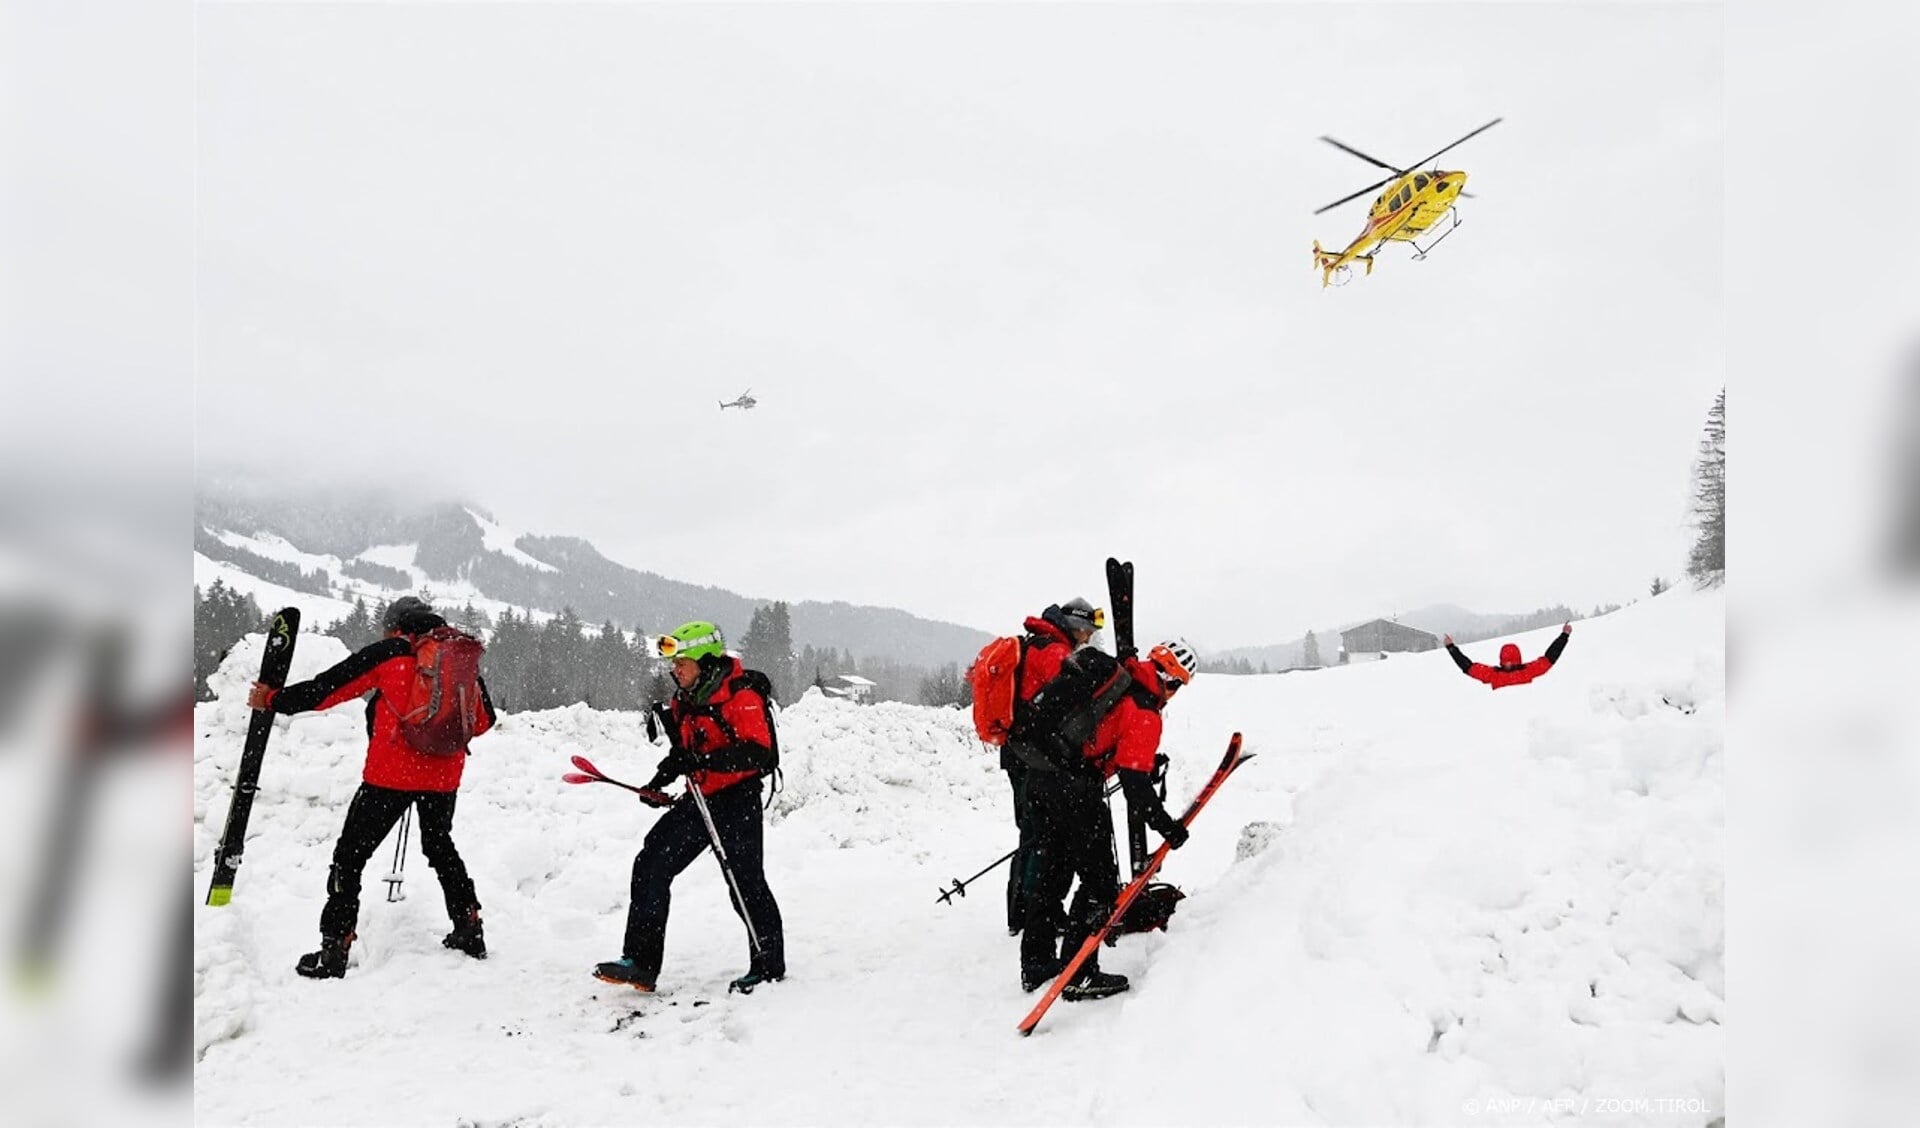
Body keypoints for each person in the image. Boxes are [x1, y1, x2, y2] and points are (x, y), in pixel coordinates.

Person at [247, 595, 495, 979]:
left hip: (390, 777)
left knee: (350, 857)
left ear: (397, 627)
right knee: (440, 846)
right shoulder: (457, 658)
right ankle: (469, 927)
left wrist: (275, 699)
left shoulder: (391, 652)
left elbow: (327, 689)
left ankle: (334, 949)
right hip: (444, 777)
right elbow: (483, 721)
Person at [594, 621, 787, 994]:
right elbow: (683, 754)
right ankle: (641, 963)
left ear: (704, 661)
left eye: (682, 662)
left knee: (743, 882)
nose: (675, 670)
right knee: (651, 863)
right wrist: (658, 782)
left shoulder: (741, 694)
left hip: (738, 800)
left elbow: (758, 753)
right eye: (674, 663)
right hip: (700, 799)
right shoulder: (686, 699)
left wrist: (701, 761)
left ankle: (768, 965)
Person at [1019, 638, 1197, 999]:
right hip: (1075, 789)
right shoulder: (1146, 710)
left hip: (1041, 774)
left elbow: (1108, 738)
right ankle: (1079, 973)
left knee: (1054, 871)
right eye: (1178, 685)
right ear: (1172, 682)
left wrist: (1142, 763)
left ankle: (1036, 963)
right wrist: (1168, 826)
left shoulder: (1122, 675)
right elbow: (1134, 784)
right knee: (1100, 884)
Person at [999, 597, 1104, 936]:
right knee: (1039, 836)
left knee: (1030, 833)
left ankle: (1022, 911)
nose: (1087, 638)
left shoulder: (1036, 644)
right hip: (1034, 757)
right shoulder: (1054, 653)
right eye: (1087, 631)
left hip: (1019, 752)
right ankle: (1032, 913)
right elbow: (1063, 705)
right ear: (1075, 626)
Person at [1443, 623, 1572, 689]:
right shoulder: (1493, 674)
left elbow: (1550, 658)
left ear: (1518, 659)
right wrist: (1451, 648)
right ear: (1501, 661)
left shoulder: (1528, 671)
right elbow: (1468, 667)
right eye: (1506, 661)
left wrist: (1564, 636)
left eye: (1512, 660)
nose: (1509, 664)